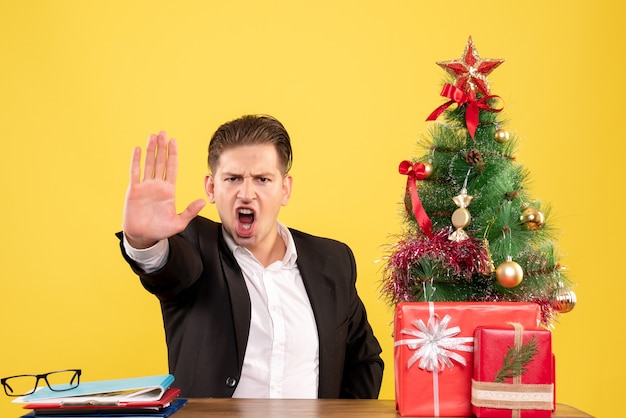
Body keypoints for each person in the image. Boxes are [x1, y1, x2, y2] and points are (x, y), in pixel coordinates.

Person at [117, 115, 384, 399]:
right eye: (232, 179)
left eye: (262, 179)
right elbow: (168, 270)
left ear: (285, 189)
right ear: (211, 188)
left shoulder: (332, 260)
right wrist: (146, 240)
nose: (246, 193)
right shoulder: (194, 245)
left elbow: (363, 360)